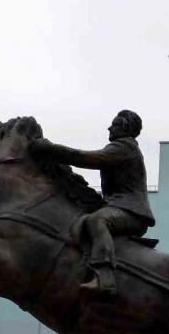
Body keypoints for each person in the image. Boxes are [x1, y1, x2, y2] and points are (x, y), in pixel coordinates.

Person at [31, 110, 154, 297]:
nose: (109, 128)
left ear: (125, 127)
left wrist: (51, 149)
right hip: (118, 206)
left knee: (97, 220)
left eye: (114, 124)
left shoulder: (124, 147)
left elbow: (88, 158)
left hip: (132, 212)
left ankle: (105, 278)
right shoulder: (123, 148)